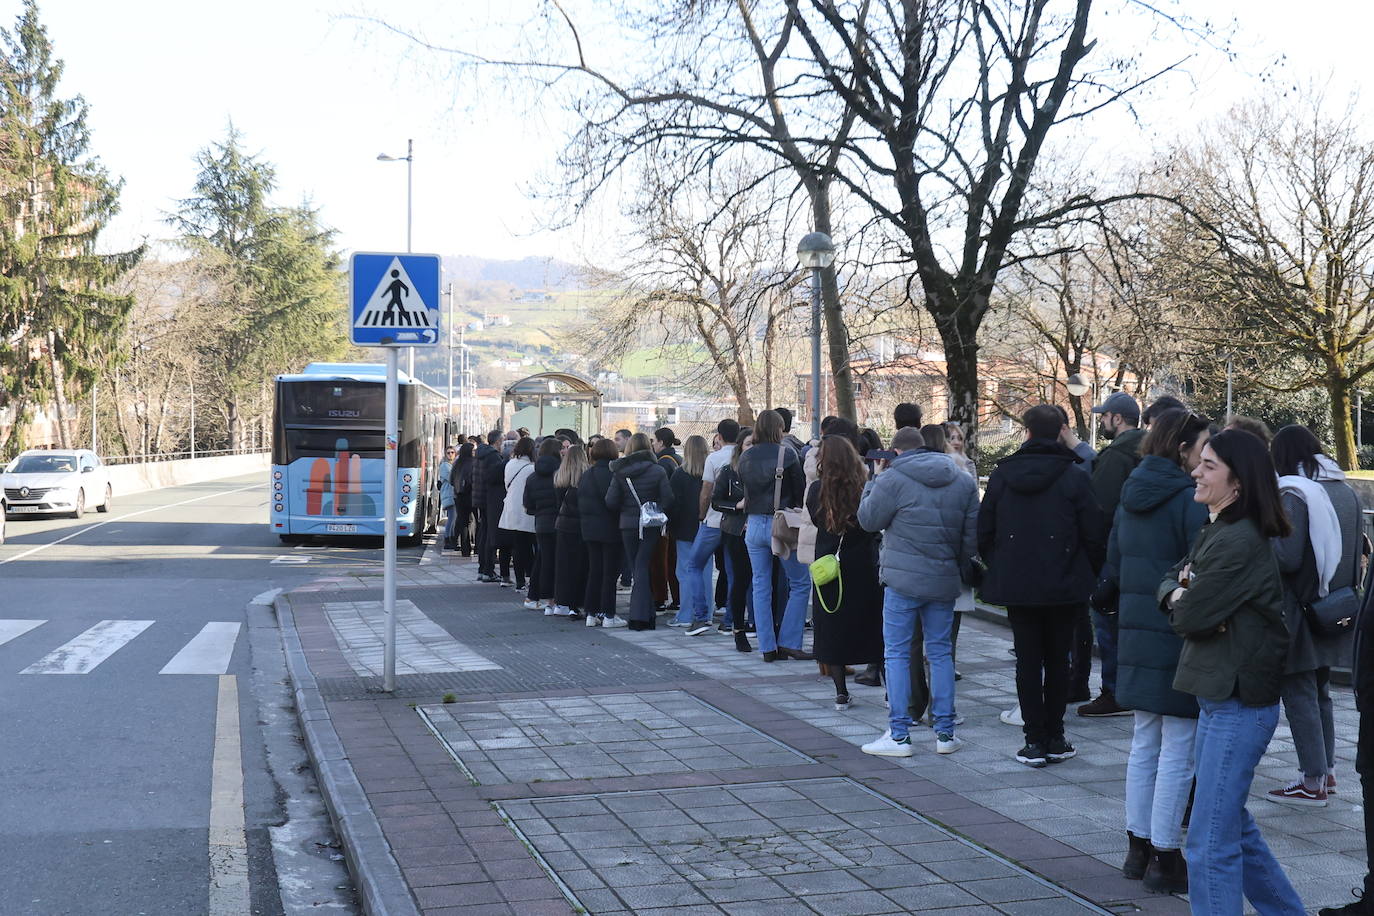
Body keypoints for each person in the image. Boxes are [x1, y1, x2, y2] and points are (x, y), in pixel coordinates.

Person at [1158, 428, 1302, 914]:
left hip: (1237, 705)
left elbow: (1191, 616)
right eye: (1200, 462)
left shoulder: (1237, 541)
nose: (1196, 470)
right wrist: (1181, 593)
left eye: (1209, 465)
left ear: (1238, 483)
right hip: (1220, 698)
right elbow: (1171, 583)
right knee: (1230, 826)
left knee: (1208, 843)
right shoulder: (1217, 529)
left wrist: (1184, 597)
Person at [1109, 408, 1211, 894]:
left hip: (1135, 628)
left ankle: (1137, 847)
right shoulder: (1190, 499)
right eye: (1202, 448)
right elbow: (1201, 567)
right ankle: (1166, 856)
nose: (1206, 457)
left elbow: (1112, 559)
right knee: (1178, 750)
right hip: (1176, 631)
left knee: (1144, 742)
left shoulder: (1131, 493)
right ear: (1183, 449)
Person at [979, 404, 1106, 768]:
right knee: (1057, 659)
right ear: (1060, 432)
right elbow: (1094, 533)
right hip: (1064, 581)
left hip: (1018, 581)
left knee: (1027, 660)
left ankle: (1033, 738)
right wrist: (1085, 570)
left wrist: (1002, 563)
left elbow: (984, 531)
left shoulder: (1003, 475)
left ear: (1027, 432)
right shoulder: (1075, 476)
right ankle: (1055, 735)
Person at [857, 426, 979, 757]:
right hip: (942, 579)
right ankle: (945, 733)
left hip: (901, 581)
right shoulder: (963, 480)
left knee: (896, 653)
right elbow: (971, 540)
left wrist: (873, 479)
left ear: (896, 452)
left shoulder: (892, 479)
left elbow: (868, 520)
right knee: (940, 653)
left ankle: (898, 735)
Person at [1268, 426, 1361, 807]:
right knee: (1320, 691)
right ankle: (1327, 771)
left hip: (1299, 606)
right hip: (1336, 604)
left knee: (1298, 691)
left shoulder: (1295, 493)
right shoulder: (1346, 489)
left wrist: (1260, 535)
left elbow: (1287, 557)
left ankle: (1312, 781)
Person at [1081, 391, 1146, 718]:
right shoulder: (1149, 450)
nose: (1102, 421)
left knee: (1107, 622)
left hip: (1114, 554)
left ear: (1117, 419)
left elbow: (1100, 512)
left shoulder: (1116, 456)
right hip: (1143, 554)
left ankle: (1114, 692)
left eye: (1104, 417)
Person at [808, 436, 884, 709]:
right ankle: (888, 689)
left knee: (832, 626)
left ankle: (841, 692)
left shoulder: (816, 490)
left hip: (830, 567)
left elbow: (818, 521)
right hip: (864, 564)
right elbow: (873, 525)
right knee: (874, 625)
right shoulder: (865, 488)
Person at [738, 409, 813, 662]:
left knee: (761, 584)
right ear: (778, 429)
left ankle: (767, 646)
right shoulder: (787, 453)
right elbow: (800, 491)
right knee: (801, 583)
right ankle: (790, 642)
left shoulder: (746, 456)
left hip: (753, 524)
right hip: (781, 525)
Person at [606, 432, 675, 630]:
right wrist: (654, 508)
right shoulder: (658, 470)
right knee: (643, 565)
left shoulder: (619, 472)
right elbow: (668, 499)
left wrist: (626, 509)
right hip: (649, 524)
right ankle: (644, 615)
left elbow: (611, 501)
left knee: (637, 567)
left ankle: (639, 616)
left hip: (627, 524)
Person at [690, 419, 740, 631]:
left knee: (694, 565)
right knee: (732, 570)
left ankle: (701, 616)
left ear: (719, 436)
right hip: (736, 521)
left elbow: (706, 492)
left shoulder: (715, 458)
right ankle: (730, 619)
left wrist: (702, 515)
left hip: (713, 520)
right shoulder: (743, 457)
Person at [579, 438, 626, 629]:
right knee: (609, 573)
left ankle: (591, 613)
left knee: (594, 571)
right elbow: (614, 502)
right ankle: (609, 614)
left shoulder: (586, 475)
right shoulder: (614, 474)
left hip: (589, 529)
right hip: (611, 529)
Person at [668, 435, 712, 634]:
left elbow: (673, 504)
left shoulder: (679, 475)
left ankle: (686, 614)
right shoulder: (711, 474)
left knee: (685, 572)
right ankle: (706, 613)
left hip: (684, 529)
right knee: (705, 572)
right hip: (708, 527)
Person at [715, 427, 753, 651]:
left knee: (761, 581)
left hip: (759, 529)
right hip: (735, 530)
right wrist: (736, 506)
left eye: (755, 444)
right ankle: (737, 628)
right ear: (740, 447)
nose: (752, 448)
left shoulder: (766, 470)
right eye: (748, 444)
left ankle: (758, 625)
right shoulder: (729, 471)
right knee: (740, 579)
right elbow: (716, 501)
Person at [523, 437, 563, 614]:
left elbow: (527, 504)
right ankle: (552, 599)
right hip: (559, 522)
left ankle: (536, 596)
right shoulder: (561, 474)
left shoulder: (532, 476)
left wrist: (538, 512)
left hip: (541, 523)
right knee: (555, 561)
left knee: (543, 559)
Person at [553, 443, 589, 619]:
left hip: (563, 526)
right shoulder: (585, 478)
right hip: (581, 527)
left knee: (563, 565)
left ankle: (562, 601)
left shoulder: (559, 477)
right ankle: (577, 602)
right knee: (580, 565)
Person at [651, 427, 683, 612]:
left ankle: (660, 597)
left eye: (654, 441)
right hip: (678, 518)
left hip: (665, 519)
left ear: (661, 442)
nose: (653, 445)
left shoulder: (663, 463)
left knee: (661, 560)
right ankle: (678, 598)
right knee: (673, 560)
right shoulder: (678, 459)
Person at [500, 437, 537, 596]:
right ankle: (527, 578)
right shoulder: (532, 468)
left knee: (516, 547)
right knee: (527, 547)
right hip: (525, 510)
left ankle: (519, 580)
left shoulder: (509, 465)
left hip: (510, 509)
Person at [473, 431, 509, 584]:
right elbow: (495, 477)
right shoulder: (493, 456)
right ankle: (488, 569)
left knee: (483, 534)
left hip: (480, 497)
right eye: (504, 440)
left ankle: (482, 569)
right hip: (491, 499)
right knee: (489, 536)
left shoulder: (481, 454)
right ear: (498, 441)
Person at [450, 442, 476, 556]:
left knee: (463, 522)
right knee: (477, 521)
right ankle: (477, 547)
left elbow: (451, 480)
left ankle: (465, 549)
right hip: (472, 495)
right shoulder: (474, 463)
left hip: (459, 496)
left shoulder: (457, 464)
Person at [439, 445, 458, 551]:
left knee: (453, 517)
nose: (450, 454)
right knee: (451, 518)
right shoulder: (445, 466)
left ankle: (450, 538)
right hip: (449, 494)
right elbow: (452, 478)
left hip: (452, 493)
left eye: (452, 452)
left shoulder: (452, 465)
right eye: (448, 453)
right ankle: (447, 539)